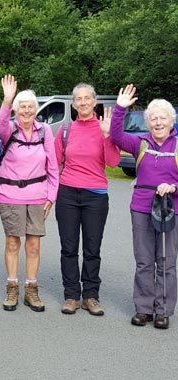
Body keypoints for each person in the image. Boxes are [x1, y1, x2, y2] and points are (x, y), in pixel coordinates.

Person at [110, 84, 178, 329]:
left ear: (171, 121)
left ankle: (163, 310)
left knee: (167, 260)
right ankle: (144, 308)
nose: (158, 122)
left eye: (163, 118)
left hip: (171, 209)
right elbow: (115, 136)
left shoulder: (177, 145)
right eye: (154, 118)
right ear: (148, 122)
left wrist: (173, 187)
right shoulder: (140, 143)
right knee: (144, 260)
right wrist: (120, 108)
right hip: (141, 206)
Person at [54, 83, 120, 316]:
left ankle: (91, 296)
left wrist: (106, 135)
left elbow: (113, 162)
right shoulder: (65, 130)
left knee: (92, 248)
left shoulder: (104, 128)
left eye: (87, 98)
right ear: (74, 104)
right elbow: (54, 164)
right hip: (68, 194)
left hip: (96, 196)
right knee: (69, 247)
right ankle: (71, 295)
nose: (82, 102)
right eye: (78, 99)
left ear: (94, 102)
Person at [0, 75, 59, 312]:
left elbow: (53, 166)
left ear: (36, 109)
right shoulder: (9, 129)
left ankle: (32, 289)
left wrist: (52, 196)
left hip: (38, 196)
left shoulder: (45, 131)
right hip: (10, 194)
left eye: (31, 107)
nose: (27, 111)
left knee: (34, 246)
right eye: (22, 107)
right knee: (13, 243)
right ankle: (12, 287)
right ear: (16, 110)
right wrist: (7, 100)